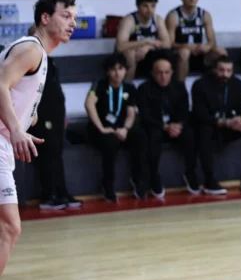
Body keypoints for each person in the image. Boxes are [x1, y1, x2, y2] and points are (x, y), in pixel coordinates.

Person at [0, 0, 77, 280]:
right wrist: (16, 128)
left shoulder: (40, 56)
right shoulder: (31, 48)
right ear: (46, 18)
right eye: (66, 15)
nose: (72, 23)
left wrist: (22, 122)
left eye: (74, 17)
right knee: (9, 227)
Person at [190, 57, 241, 194]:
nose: (225, 74)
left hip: (228, 127)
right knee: (204, 130)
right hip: (208, 126)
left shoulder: (237, 84)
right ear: (214, 70)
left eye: (228, 71)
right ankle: (209, 181)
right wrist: (224, 122)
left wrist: (239, 120)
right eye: (221, 70)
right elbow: (200, 115)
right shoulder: (200, 85)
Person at [84, 53, 141, 202]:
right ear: (108, 71)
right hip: (101, 129)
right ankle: (108, 184)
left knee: (140, 137)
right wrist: (102, 128)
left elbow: (131, 114)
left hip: (120, 128)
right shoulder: (100, 84)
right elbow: (89, 104)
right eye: (113, 69)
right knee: (110, 142)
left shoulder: (129, 87)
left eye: (121, 69)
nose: (117, 73)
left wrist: (125, 128)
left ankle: (138, 179)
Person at [135, 58, 195, 199]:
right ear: (153, 73)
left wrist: (178, 125)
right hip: (155, 127)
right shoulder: (144, 89)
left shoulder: (179, 87)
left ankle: (191, 172)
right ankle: (154, 176)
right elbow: (145, 116)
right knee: (152, 136)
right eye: (159, 73)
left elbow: (185, 112)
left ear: (172, 72)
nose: (163, 76)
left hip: (175, 126)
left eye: (167, 72)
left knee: (189, 133)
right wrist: (164, 126)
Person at [30, 56, 79, 211]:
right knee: (46, 154)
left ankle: (62, 192)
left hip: (55, 114)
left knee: (57, 153)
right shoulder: (30, 59)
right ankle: (47, 196)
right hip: (41, 115)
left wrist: (62, 114)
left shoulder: (50, 60)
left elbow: (56, 89)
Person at [166, 0, 229, 82]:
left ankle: (218, 84)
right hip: (179, 54)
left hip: (198, 53)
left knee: (221, 51)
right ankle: (180, 88)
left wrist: (207, 46)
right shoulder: (173, 15)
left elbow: (212, 40)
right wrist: (185, 46)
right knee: (185, 52)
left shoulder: (204, 14)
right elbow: (169, 44)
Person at [115, 0, 171, 81]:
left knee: (167, 54)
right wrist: (145, 41)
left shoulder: (158, 19)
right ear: (138, 7)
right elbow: (120, 47)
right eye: (145, 6)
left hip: (148, 54)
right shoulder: (129, 20)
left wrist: (148, 46)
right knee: (130, 54)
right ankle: (128, 87)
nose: (150, 10)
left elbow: (167, 44)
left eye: (153, 6)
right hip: (133, 56)